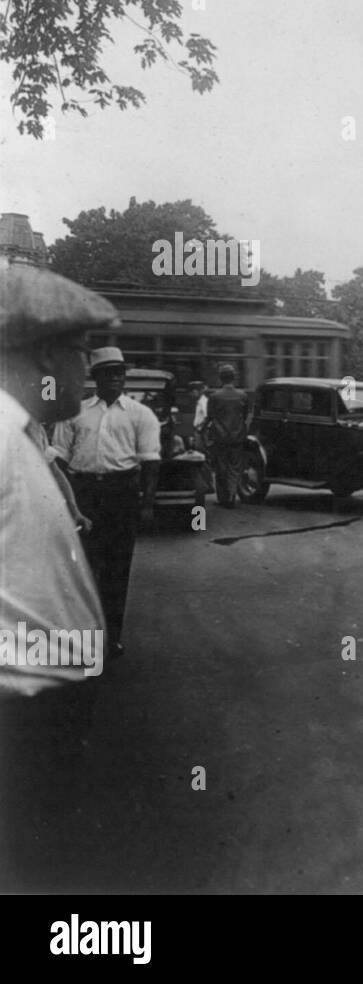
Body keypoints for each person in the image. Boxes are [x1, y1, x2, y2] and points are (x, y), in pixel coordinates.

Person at [0, 264, 117, 889]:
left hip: (46, 706)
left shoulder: (24, 434)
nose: (86, 370)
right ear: (42, 355)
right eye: (79, 352)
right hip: (21, 714)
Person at [51, 347, 161, 657]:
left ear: (125, 377)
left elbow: (150, 462)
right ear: (95, 378)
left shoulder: (141, 414)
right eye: (107, 373)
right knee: (80, 568)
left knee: (116, 569)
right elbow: (57, 458)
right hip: (84, 495)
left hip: (121, 495)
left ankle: (110, 637)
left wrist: (147, 504)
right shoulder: (75, 412)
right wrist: (69, 500)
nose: (114, 378)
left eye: (119, 373)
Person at [203, 362, 250, 508]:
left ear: (220, 378)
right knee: (235, 467)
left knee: (221, 468)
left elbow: (210, 417)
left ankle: (223, 498)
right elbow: (245, 415)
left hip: (220, 437)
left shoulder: (215, 397)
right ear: (233, 378)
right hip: (238, 437)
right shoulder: (242, 395)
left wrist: (202, 429)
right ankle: (231, 496)